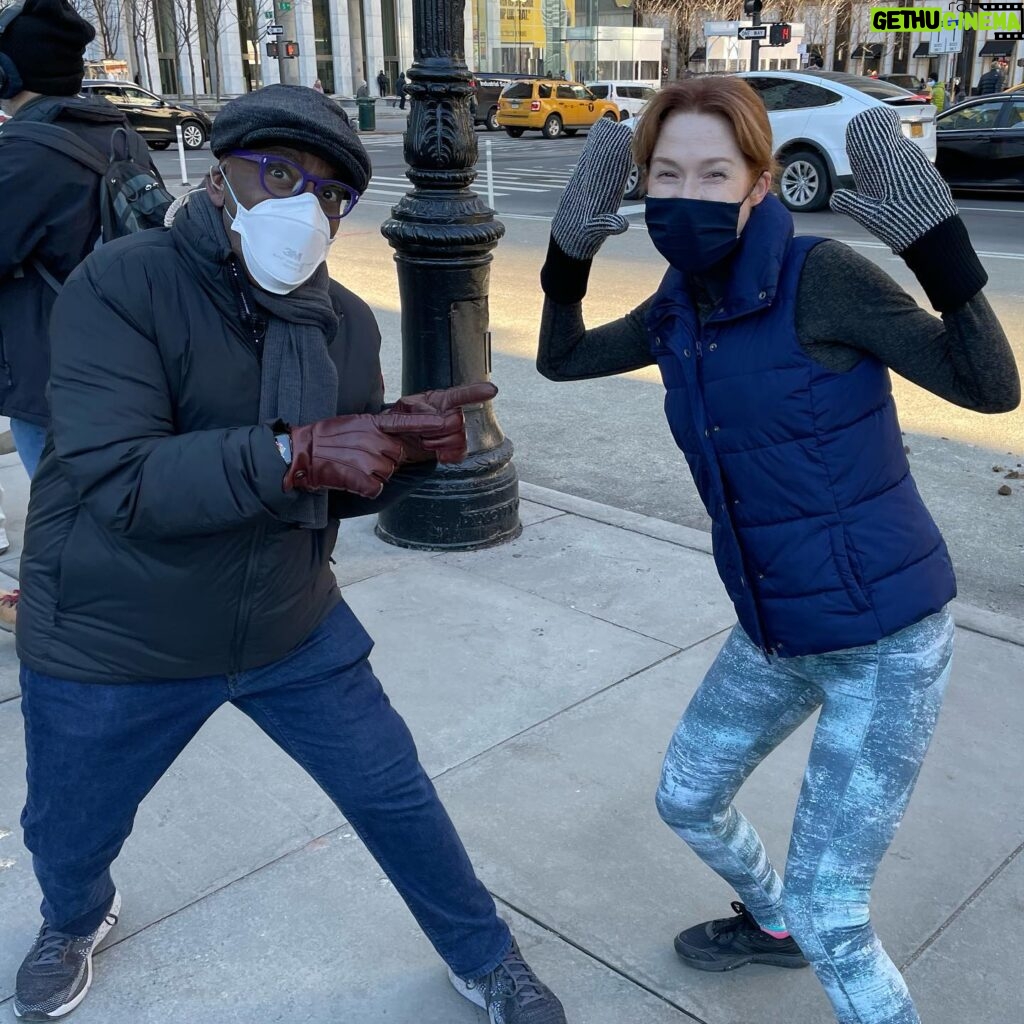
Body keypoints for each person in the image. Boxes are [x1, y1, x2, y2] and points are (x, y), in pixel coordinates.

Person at [12, 84, 567, 1024]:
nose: (302, 206)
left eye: (329, 193)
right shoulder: (122, 284)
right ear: (221, 175)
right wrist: (296, 450)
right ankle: (73, 917)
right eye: (279, 173)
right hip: (115, 635)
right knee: (69, 827)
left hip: (286, 620)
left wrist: (395, 449)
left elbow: (335, 485)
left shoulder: (343, 324)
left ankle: (485, 955)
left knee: (395, 795)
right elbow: (121, 479)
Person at [536, 81, 1019, 1024]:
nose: (690, 193)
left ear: (759, 183)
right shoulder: (680, 308)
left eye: (714, 173)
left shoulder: (824, 278)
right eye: (665, 174)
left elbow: (989, 387)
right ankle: (771, 926)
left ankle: (803, 925)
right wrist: (568, 251)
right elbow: (559, 359)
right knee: (686, 797)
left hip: (886, 642)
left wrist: (939, 251)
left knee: (835, 911)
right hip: (778, 630)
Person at [0, 0, 143, 627]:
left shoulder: (25, 150)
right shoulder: (116, 130)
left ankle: (84, 608)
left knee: (62, 494)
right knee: (107, 484)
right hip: (125, 351)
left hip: (48, 362)